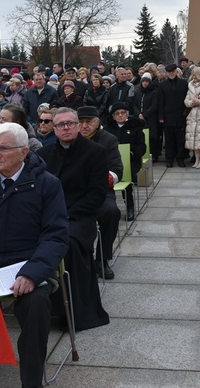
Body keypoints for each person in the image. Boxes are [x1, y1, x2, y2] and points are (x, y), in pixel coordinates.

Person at [0, 123, 69, 387]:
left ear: (23, 152)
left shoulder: (47, 185)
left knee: (37, 305)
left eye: (3, 149)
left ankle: (31, 379)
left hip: (27, 264)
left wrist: (32, 273)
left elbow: (55, 235)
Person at [36, 108, 109, 331]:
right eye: (60, 125)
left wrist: (67, 214)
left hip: (79, 216)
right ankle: (40, 305)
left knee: (68, 244)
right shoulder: (45, 154)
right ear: (54, 129)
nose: (66, 128)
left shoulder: (96, 152)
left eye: (70, 123)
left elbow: (96, 194)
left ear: (78, 126)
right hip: (47, 215)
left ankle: (73, 311)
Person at [77, 106, 122, 280]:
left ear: (98, 122)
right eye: (80, 122)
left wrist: (95, 181)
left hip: (101, 190)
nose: (84, 126)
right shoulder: (70, 139)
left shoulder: (108, 140)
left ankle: (102, 259)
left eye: (89, 122)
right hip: (75, 192)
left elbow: (117, 170)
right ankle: (80, 258)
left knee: (111, 212)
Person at [104, 102, 145, 221]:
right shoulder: (107, 129)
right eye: (117, 113)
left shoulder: (135, 127)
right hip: (111, 161)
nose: (120, 115)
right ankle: (109, 208)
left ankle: (130, 207)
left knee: (126, 176)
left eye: (123, 113)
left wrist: (132, 153)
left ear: (127, 114)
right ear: (113, 116)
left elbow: (142, 147)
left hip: (130, 160)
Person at [157, 63, 187, 167]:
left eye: (173, 71)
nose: (171, 73)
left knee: (180, 139)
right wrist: (161, 116)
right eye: (169, 72)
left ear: (176, 71)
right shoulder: (162, 85)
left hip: (180, 115)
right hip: (167, 116)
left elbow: (186, 99)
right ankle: (169, 160)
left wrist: (186, 112)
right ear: (167, 73)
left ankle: (180, 159)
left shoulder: (183, 84)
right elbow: (161, 102)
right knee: (169, 140)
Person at [134, 72, 160, 162]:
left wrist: (144, 115)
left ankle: (154, 155)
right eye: (143, 81)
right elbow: (135, 105)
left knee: (152, 137)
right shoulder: (138, 92)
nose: (145, 83)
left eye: (147, 81)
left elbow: (154, 106)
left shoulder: (153, 92)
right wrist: (138, 114)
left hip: (150, 118)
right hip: (139, 118)